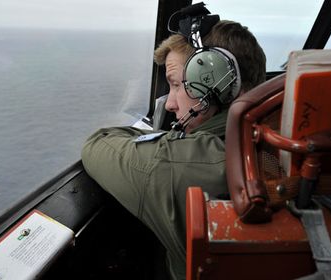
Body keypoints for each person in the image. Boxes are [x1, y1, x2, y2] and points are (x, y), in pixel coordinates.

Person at [81, 17, 266, 280]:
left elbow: (97, 143)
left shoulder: (181, 165)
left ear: (216, 82)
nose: (169, 104)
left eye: (176, 84)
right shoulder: (274, 139)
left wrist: (165, 142)